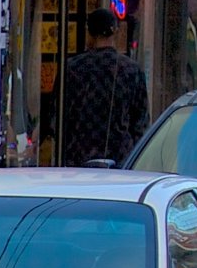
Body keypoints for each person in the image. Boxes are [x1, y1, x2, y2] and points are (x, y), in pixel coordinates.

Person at [58, 10, 150, 167]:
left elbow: (57, 117)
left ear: (89, 33)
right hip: (119, 158)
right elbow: (141, 123)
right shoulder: (131, 70)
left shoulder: (71, 68)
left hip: (76, 157)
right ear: (115, 32)